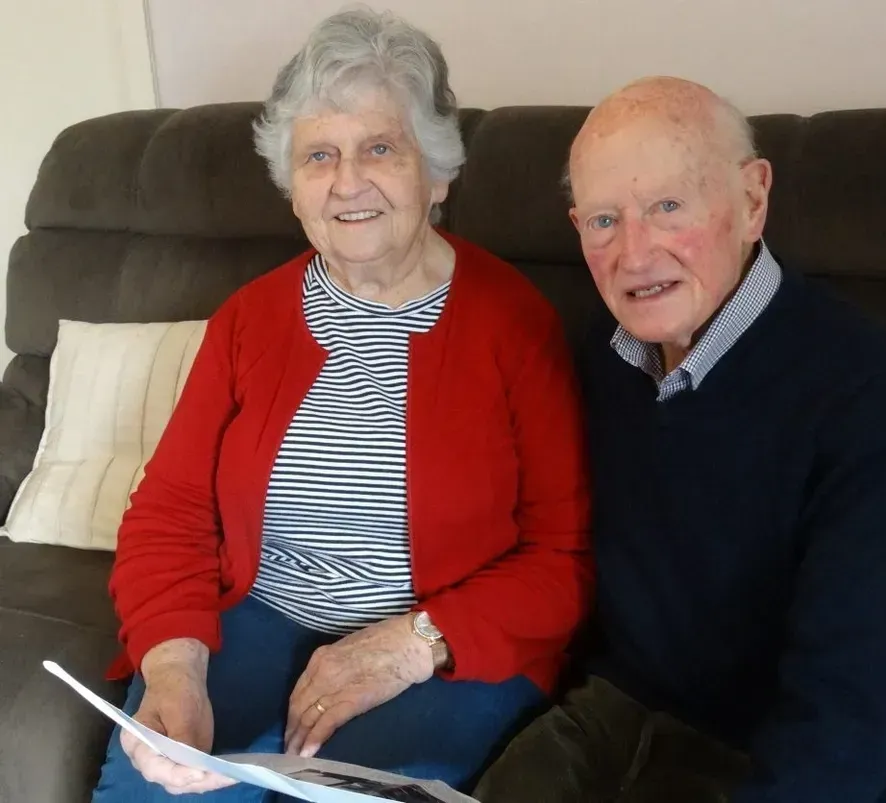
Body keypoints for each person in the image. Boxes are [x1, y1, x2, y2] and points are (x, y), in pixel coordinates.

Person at [92, 8, 592, 802]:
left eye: (380, 148)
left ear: (437, 174)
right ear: (293, 188)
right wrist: (175, 665)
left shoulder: (516, 324)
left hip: (442, 644)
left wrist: (412, 642)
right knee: (159, 788)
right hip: (258, 613)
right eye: (319, 154)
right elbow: (171, 509)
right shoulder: (250, 319)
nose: (348, 180)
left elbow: (561, 557)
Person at [475, 76, 886, 803]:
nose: (634, 254)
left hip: (767, 748)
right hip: (616, 711)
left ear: (752, 201)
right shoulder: (602, 352)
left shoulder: (869, 385)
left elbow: (846, 708)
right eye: (604, 220)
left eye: (668, 207)